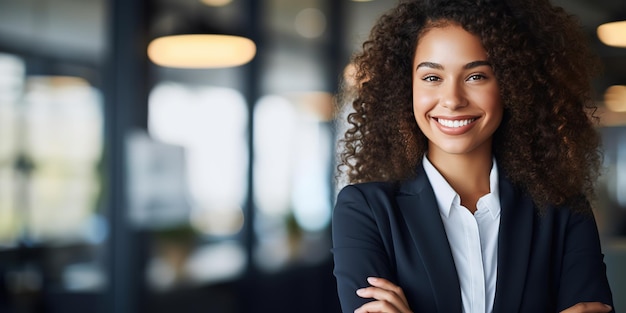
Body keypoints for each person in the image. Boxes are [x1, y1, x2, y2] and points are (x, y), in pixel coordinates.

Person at [331, 0, 615, 312]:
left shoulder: (564, 211)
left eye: (476, 76)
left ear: (513, 85)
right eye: (432, 77)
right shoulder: (366, 211)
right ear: (404, 87)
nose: (452, 100)